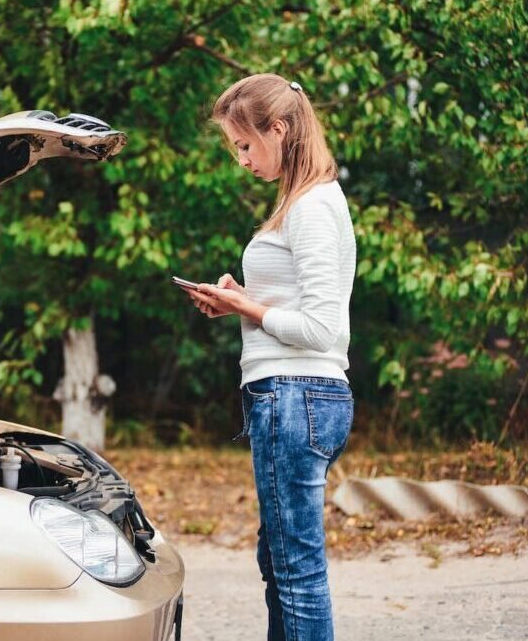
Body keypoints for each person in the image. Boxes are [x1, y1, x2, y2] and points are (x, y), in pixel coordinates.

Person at [182, 73, 357, 641]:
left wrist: (247, 309)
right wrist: (240, 303)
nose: (242, 159)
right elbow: (299, 307)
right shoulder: (304, 202)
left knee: (296, 572)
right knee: (280, 563)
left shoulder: (310, 207)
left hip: (297, 396)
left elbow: (320, 327)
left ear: (278, 129)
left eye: (244, 144)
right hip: (296, 397)